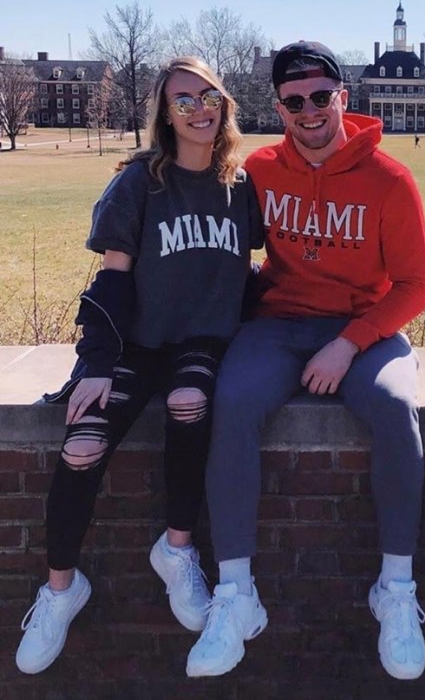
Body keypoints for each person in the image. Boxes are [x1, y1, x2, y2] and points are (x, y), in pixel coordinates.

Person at [186, 41, 425, 681]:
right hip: (282, 324)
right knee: (231, 401)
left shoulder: (390, 180)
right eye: (294, 101)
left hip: (363, 329)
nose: (309, 111)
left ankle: (396, 591)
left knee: (398, 410)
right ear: (280, 108)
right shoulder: (261, 170)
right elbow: (197, 201)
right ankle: (236, 596)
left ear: (342, 100)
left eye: (321, 96)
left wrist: (350, 342)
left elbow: (414, 286)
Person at [16, 57, 264, 675]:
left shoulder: (240, 186)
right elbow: (113, 280)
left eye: (209, 95)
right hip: (135, 343)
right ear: (163, 113)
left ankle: (177, 549)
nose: (199, 109)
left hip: (200, 342)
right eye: (183, 100)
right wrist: (96, 363)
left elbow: (252, 276)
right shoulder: (138, 183)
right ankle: (59, 589)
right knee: (82, 442)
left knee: (190, 403)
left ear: (225, 102)